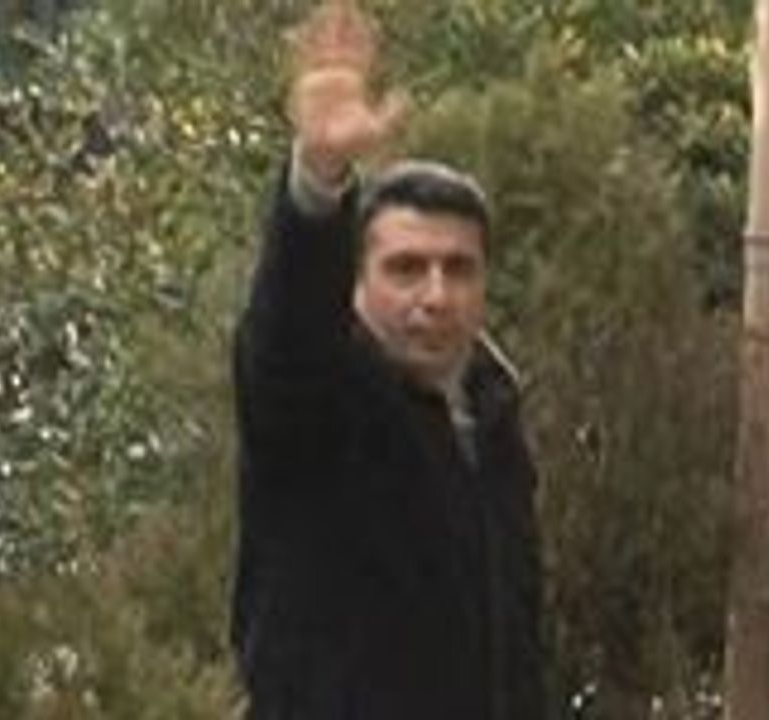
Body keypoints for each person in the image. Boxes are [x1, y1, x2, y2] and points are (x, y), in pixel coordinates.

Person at [230, 2, 544, 718]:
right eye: (405, 268)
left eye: (458, 269)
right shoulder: (322, 408)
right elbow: (287, 335)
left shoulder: (493, 414)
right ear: (356, 282)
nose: (435, 295)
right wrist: (318, 181)